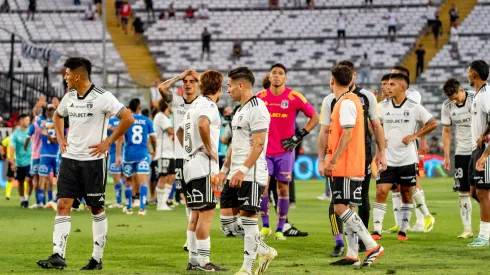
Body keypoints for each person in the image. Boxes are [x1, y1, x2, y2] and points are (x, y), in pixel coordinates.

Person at [36, 57, 134, 270]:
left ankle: (96, 259)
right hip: (70, 159)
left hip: (93, 162)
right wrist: (61, 139)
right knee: (63, 204)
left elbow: (128, 118)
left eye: (67, 73)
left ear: (77, 76)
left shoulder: (103, 97)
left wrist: (108, 141)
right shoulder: (69, 96)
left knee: (96, 208)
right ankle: (57, 255)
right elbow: (58, 116)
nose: (65, 77)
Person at [319, 60, 386, 258]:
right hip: (350, 160)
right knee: (348, 205)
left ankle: (371, 245)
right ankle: (352, 252)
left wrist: (331, 160)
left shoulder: (347, 102)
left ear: (332, 81)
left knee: (341, 205)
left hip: (347, 162)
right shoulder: (342, 100)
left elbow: (348, 134)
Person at [217, 67, 277, 275]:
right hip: (235, 173)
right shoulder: (239, 111)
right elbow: (235, 144)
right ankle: (265, 250)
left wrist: (242, 170)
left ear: (241, 85)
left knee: (249, 221)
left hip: (250, 174)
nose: (228, 90)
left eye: (230, 86)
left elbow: (259, 145)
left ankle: (246, 269)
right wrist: (224, 170)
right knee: (227, 223)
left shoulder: (258, 108)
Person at [256, 63, 319, 240]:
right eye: (274, 73)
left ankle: (280, 228)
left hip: (285, 151)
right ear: (269, 77)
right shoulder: (259, 97)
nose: (276, 76)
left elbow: (315, 117)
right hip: (265, 150)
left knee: (283, 189)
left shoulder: (294, 97)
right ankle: (266, 226)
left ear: (285, 77)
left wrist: (299, 136)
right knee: (263, 188)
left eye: (280, 73)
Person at [373, 73, 437, 242]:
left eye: (392, 84)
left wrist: (414, 136)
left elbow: (433, 123)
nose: (387, 87)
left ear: (402, 87)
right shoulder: (382, 106)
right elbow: (373, 124)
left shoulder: (414, 106)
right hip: (388, 158)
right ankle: (377, 230)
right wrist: (379, 141)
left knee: (406, 193)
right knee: (381, 191)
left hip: (408, 159)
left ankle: (403, 230)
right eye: (387, 84)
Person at [176, 70, 226, 272]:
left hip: (189, 166)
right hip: (204, 167)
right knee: (206, 216)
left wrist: (189, 149)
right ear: (220, 88)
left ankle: (194, 261)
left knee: (195, 216)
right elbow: (203, 123)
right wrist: (209, 148)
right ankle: (205, 262)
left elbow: (180, 131)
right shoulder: (209, 106)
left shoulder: (193, 105)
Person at [387, 66, 434, 233]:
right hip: (391, 146)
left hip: (409, 145)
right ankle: (399, 222)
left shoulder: (414, 95)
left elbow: (421, 118)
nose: (390, 80)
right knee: (394, 186)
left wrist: (422, 140)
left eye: (394, 77)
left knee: (413, 182)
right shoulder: (390, 95)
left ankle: (423, 220)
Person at [158, 70, 200, 250]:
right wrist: (178, 76)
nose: (188, 84)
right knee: (187, 199)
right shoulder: (176, 102)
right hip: (180, 158)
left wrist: (201, 77)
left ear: (198, 84)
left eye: (192, 81)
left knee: (199, 200)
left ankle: (196, 238)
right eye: (185, 81)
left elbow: (214, 86)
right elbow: (161, 87)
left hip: (199, 157)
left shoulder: (204, 102)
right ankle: (190, 238)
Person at [441, 78, 474, 238]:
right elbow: (446, 131)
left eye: (455, 97)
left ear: (461, 90)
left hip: (479, 150)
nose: (453, 101)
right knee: (463, 191)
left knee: (481, 191)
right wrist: (447, 156)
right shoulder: (446, 106)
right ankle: (467, 229)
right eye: (451, 99)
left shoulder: (476, 99)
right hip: (461, 152)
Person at [119, 98, 156, 216]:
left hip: (128, 155)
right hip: (143, 155)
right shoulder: (147, 121)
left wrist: (119, 154)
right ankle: (142, 208)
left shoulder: (126, 120)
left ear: (129, 108)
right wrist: (154, 150)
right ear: (139, 108)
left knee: (129, 181)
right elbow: (153, 138)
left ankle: (129, 207)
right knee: (143, 181)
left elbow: (120, 138)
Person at [468, 60, 490, 246]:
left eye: (469, 72)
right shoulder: (477, 95)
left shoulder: (486, 94)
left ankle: (484, 236)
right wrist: (483, 134)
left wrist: (485, 155)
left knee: (483, 192)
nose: (467, 75)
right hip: (476, 148)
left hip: (485, 151)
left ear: (473, 74)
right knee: (474, 192)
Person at [153, 99, 175, 211]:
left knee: (171, 176)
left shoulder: (166, 118)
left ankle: (164, 202)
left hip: (170, 152)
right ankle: (160, 204)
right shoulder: (160, 116)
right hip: (162, 153)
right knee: (163, 176)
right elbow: (171, 131)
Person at [38, 105, 60, 209]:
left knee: (57, 179)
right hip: (47, 154)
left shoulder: (56, 124)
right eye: (49, 110)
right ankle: (43, 202)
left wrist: (47, 133)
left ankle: (52, 200)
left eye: (52, 110)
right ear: (46, 112)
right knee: (44, 178)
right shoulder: (45, 124)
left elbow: (55, 140)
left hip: (55, 155)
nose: (50, 112)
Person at [9, 115, 33, 207]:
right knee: (20, 182)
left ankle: (27, 199)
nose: (28, 121)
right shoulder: (15, 134)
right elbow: (12, 149)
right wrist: (12, 162)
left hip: (30, 160)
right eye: (27, 120)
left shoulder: (30, 131)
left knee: (29, 180)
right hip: (19, 161)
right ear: (21, 121)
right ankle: (22, 200)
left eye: (29, 119)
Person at [107, 115, 124, 209]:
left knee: (116, 178)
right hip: (125, 151)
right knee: (127, 176)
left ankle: (119, 201)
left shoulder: (109, 121)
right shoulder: (124, 119)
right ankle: (133, 199)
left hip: (114, 153)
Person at [1, 135, 15, 201]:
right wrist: (5, 156)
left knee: (25, 178)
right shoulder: (9, 138)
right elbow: (1, 146)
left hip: (23, 160)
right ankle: (7, 196)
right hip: (12, 160)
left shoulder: (24, 137)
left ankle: (25, 197)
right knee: (10, 178)